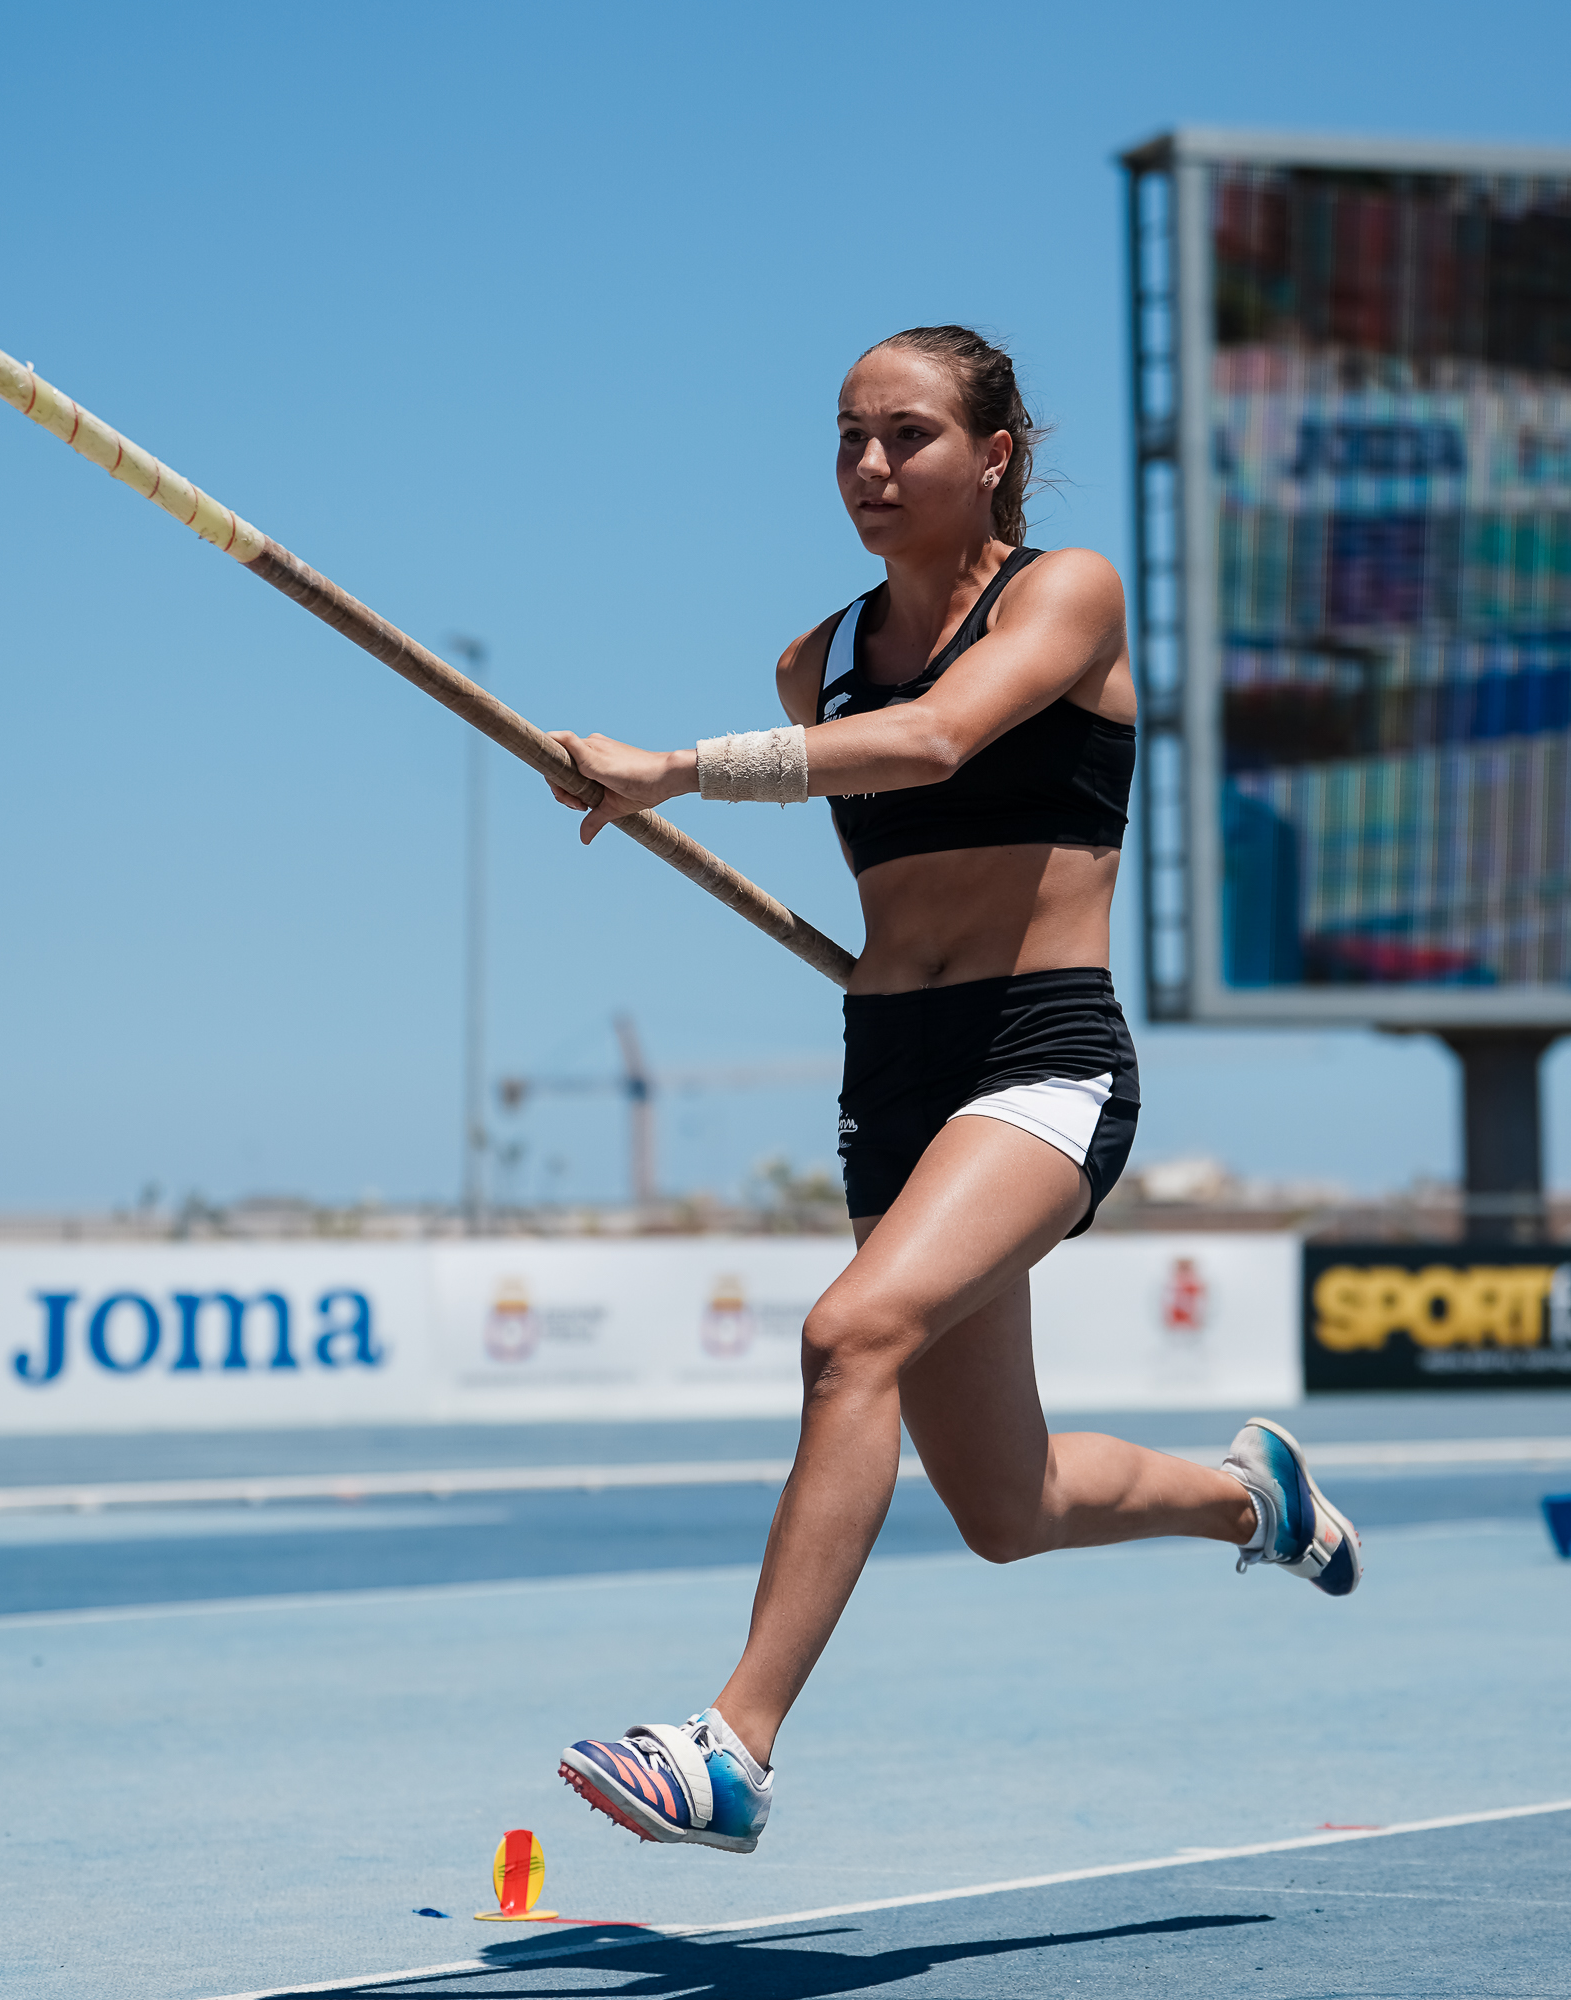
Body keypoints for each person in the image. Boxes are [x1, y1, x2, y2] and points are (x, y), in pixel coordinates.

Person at [544, 325, 1361, 1855]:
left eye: (906, 435)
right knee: (1006, 1508)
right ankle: (1254, 1502)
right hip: (897, 1070)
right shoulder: (812, 665)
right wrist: (659, 785)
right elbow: (895, 849)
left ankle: (735, 1746)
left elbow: (933, 741)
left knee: (849, 1333)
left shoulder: (1067, 595)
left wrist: (673, 770)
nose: (868, 465)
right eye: (848, 436)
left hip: (1042, 1055)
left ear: (995, 453)